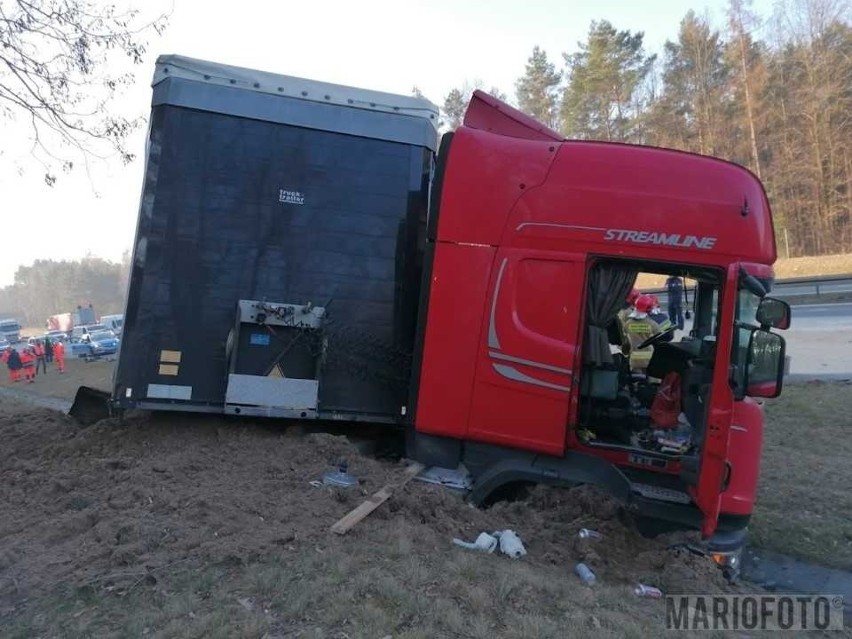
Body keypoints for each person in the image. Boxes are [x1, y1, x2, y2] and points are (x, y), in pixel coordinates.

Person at [624, 295, 661, 373]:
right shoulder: (652, 324)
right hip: (649, 359)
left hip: (634, 359)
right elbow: (660, 338)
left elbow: (624, 342)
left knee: (636, 381)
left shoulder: (627, 324)